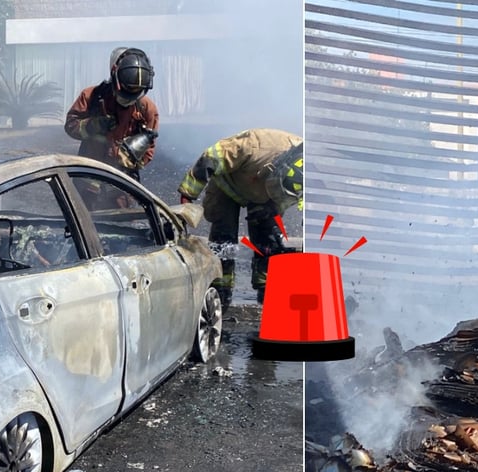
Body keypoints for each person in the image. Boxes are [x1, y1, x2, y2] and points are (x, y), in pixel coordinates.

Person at [177, 128, 304, 308]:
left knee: (268, 237)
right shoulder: (252, 147)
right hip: (228, 184)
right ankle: (221, 287)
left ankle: (267, 287)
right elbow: (210, 159)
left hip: (263, 195)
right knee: (224, 238)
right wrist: (188, 195)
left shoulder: (305, 170)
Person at [65, 47, 160, 208]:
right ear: (115, 76)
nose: (127, 100)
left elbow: (148, 151)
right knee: (80, 219)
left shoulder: (147, 109)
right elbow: (70, 125)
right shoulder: (91, 97)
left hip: (120, 186)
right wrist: (92, 125)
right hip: (87, 180)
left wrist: (127, 158)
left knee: (121, 222)